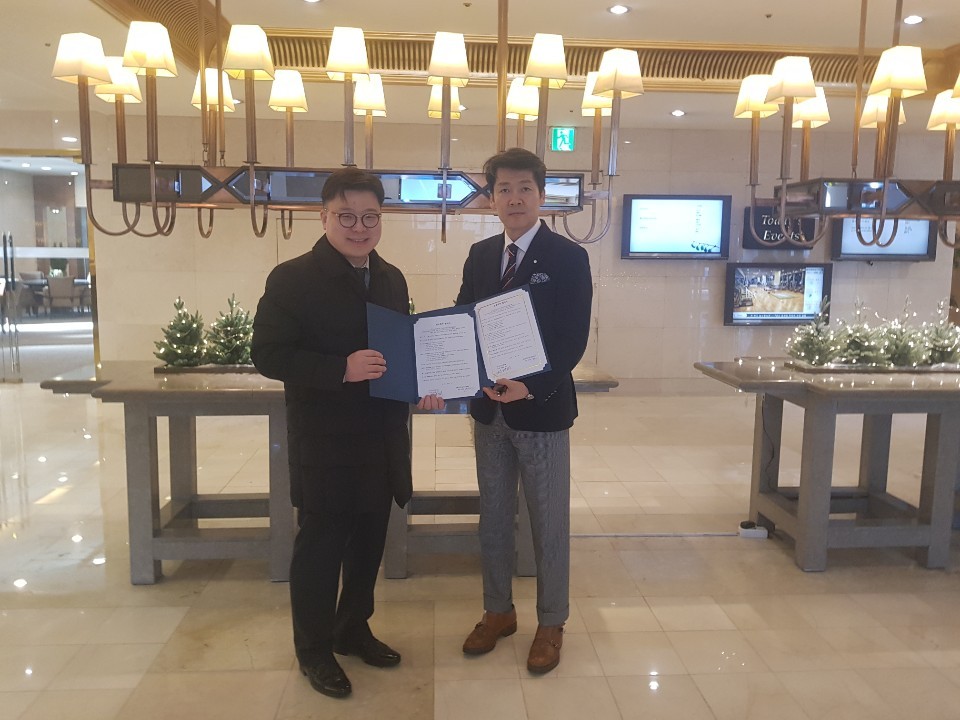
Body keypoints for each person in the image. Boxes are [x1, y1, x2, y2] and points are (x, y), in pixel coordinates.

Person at [423, 147, 592, 673]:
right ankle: (498, 611)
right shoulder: (480, 256)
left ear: (540, 196)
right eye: (504, 189)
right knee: (493, 519)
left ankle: (552, 621)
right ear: (491, 198)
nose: (514, 198)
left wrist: (530, 386)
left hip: (540, 409)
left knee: (548, 521)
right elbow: (461, 322)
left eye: (524, 188)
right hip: (488, 412)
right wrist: (442, 370)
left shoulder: (568, 258)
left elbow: (572, 339)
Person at [251, 167, 411, 699]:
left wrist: (424, 382)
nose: (359, 228)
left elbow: (401, 351)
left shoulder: (391, 278)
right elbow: (267, 354)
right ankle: (314, 649)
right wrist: (340, 368)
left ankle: (352, 629)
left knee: (368, 542)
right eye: (347, 217)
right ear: (323, 217)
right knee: (320, 547)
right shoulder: (292, 278)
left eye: (370, 217)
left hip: (381, 435)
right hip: (325, 438)